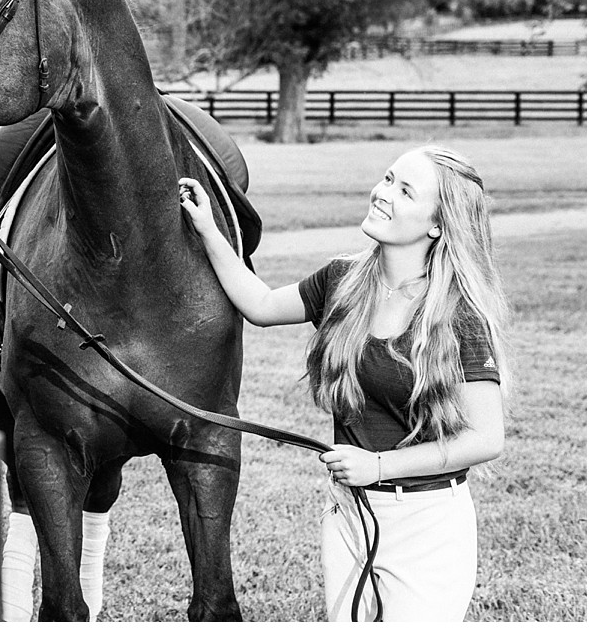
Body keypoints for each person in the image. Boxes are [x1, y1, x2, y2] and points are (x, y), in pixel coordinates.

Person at [178, 145, 509, 622]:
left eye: (405, 190)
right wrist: (208, 228)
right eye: (389, 178)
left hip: (428, 520)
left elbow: (486, 437)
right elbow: (263, 305)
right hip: (348, 513)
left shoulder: (459, 314)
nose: (383, 192)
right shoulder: (342, 280)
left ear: (438, 224)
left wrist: (377, 465)